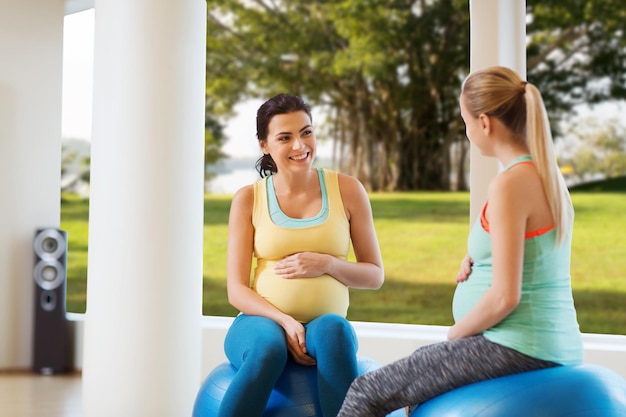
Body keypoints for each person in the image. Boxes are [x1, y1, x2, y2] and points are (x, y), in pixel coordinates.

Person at [337, 66, 584, 416]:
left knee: (366, 391)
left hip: (517, 345)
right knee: (420, 372)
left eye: (465, 122)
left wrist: (455, 334)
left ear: (484, 123)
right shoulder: (546, 176)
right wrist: (478, 256)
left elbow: (505, 297)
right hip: (545, 341)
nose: (467, 133)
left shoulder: (511, 184)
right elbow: (532, 252)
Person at [219, 93, 384, 417]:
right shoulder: (248, 199)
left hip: (324, 323)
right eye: (285, 137)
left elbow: (374, 275)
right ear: (264, 144)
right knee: (269, 349)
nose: (300, 145)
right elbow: (236, 289)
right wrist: (284, 321)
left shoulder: (348, 190)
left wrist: (328, 263)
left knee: (335, 332)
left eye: (306, 132)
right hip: (260, 322)